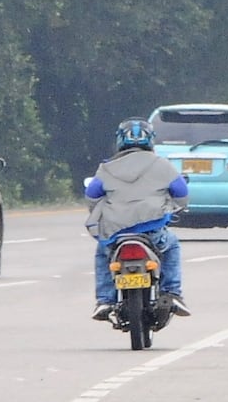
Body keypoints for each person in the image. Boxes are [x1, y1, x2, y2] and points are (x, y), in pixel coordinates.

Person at [84, 117, 191, 321]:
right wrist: (175, 206)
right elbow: (181, 193)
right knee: (172, 246)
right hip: (152, 232)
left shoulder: (107, 168)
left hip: (116, 234)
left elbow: (91, 196)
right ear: (150, 140)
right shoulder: (162, 165)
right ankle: (172, 292)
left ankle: (105, 300)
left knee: (102, 253)